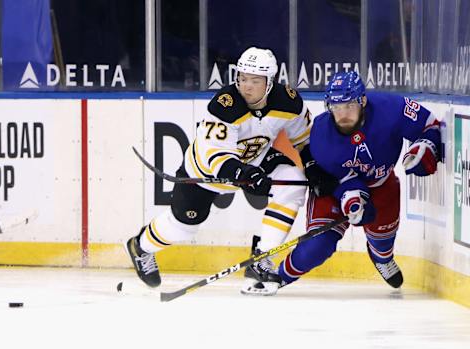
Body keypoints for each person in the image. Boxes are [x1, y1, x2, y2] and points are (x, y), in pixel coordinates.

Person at [125, 47, 313, 295]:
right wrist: (244, 174)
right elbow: (215, 155)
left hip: (254, 160)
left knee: (295, 179)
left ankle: (262, 258)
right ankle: (141, 246)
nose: (247, 86)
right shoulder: (225, 105)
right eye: (243, 78)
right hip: (205, 172)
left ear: (270, 82)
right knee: (183, 227)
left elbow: (304, 138)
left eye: (255, 81)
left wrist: (313, 165)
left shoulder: (288, 101)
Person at [267, 70, 442, 294]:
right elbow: (343, 181)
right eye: (337, 107)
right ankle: (277, 277)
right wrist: (353, 201)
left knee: (382, 244)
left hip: (382, 184)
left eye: (349, 106)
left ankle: (381, 257)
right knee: (318, 245)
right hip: (334, 188)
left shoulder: (391, 108)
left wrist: (426, 148)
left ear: (363, 101)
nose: (343, 115)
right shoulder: (321, 134)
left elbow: (429, 125)